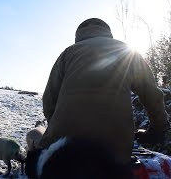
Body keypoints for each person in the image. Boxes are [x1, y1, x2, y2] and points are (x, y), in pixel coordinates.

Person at [39, 18, 170, 168]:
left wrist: (57, 127)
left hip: (63, 148)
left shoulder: (68, 53)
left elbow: (49, 100)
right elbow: (152, 94)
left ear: (78, 36)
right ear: (108, 33)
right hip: (115, 151)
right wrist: (159, 127)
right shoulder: (126, 51)